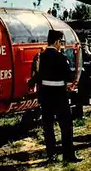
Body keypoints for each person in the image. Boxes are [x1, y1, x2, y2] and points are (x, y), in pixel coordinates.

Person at [32, 30, 81, 163]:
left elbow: (38, 74)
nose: (61, 45)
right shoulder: (60, 57)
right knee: (66, 125)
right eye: (61, 42)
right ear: (56, 42)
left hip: (46, 94)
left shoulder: (41, 56)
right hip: (59, 94)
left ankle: (51, 155)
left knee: (48, 126)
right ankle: (68, 154)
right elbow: (67, 76)